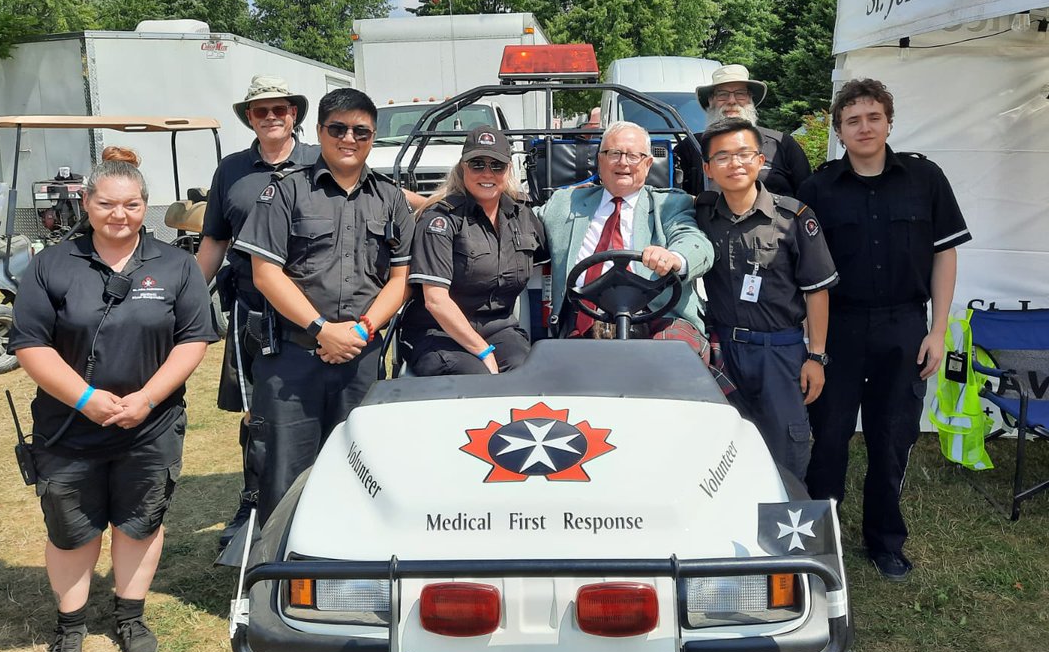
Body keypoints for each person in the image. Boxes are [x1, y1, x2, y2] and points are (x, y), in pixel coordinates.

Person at [9, 147, 218, 652]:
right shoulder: (50, 265)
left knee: (139, 524)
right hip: (67, 428)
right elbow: (31, 344)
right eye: (106, 204)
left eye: (130, 204)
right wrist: (85, 398)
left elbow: (193, 339)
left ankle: (130, 618)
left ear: (145, 205)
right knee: (72, 532)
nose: (118, 214)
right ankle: (70, 626)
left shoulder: (175, 266)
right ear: (87, 202)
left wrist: (146, 398)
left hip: (150, 427)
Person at [797, 78, 971, 582]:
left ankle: (885, 541)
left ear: (889, 122)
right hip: (840, 328)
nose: (865, 127)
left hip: (904, 326)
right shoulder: (818, 188)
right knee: (828, 439)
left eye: (873, 117)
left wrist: (937, 331)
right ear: (839, 130)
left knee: (892, 437)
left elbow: (945, 253)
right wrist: (816, 348)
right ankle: (819, 543)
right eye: (853, 120)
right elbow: (808, 276)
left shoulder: (924, 178)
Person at [235, 88, 414, 524]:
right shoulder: (286, 192)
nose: (349, 138)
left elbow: (400, 281)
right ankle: (279, 576)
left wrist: (361, 330)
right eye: (337, 128)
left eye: (361, 131)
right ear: (318, 131)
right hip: (293, 359)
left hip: (361, 356)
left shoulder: (390, 198)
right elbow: (266, 274)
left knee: (363, 468)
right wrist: (322, 330)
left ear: (373, 137)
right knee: (285, 474)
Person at [196, 75, 319, 550]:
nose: (270, 117)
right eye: (260, 110)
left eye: (279, 109)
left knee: (314, 409)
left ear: (294, 114)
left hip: (311, 310)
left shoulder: (319, 159)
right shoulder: (231, 169)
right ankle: (253, 497)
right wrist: (182, 299)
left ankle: (313, 496)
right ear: (249, 117)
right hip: (253, 310)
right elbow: (214, 240)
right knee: (256, 414)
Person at [695, 118, 837, 480]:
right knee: (721, 444)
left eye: (744, 153)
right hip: (721, 349)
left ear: (761, 161)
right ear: (708, 169)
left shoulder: (793, 217)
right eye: (722, 157)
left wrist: (816, 356)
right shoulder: (702, 214)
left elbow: (816, 291)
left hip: (780, 352)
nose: (735, 163)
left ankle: (784, 527)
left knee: (786, 448)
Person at [537, 121, 713, 353]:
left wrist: (673, 257)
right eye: (614, 154)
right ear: (600, 160)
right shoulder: (565, 203)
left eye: (633, 156)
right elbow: (520, 224)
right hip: (584, 319)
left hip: (659, 318)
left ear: (648, 164)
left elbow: (696, 243)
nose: (623, 162)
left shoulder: (669, 204)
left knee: (669, 361)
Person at [402, 126, 548, 375]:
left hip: (499, 329)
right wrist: (482, 351)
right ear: (463, 168)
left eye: (497, 166)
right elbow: (436, 301)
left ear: (509, 169)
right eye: (477, 164)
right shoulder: (441, 220)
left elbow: (553, 255)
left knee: (528, 374)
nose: (487, 173)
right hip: (438, 331)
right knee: (476, 377)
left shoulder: (522, 215)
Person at [680, 64, 812, 198]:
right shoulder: (691, 146)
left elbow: (807, 197)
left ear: (751, 99)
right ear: (711, 101)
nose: (731, 101)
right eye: (722, 94)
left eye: (740, 94)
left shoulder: (783, 144)